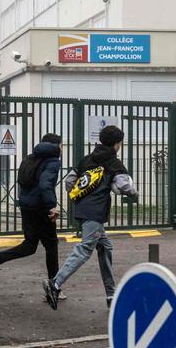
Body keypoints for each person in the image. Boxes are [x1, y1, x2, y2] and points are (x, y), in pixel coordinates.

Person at [45, 125, 137, 310]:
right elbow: (123, 186)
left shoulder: (87, 159)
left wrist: (82, 197)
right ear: (117, 144)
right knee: (86, 248)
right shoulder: (114, 163)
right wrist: (134, 194)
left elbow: (70, 181)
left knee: (105, 247)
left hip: (82, 208)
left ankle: (111, 295)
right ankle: (55, 283)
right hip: (95, 212)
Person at [0, 133, 65, 300]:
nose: (62, 148)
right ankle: (54, 288)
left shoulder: (29, 158)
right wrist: (52, 206)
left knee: (30, 246)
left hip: (27, 207)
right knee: (51, 246)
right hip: (41, 208)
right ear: (56, 145)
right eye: (61, 145)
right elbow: (45, 184)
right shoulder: (53, 161)